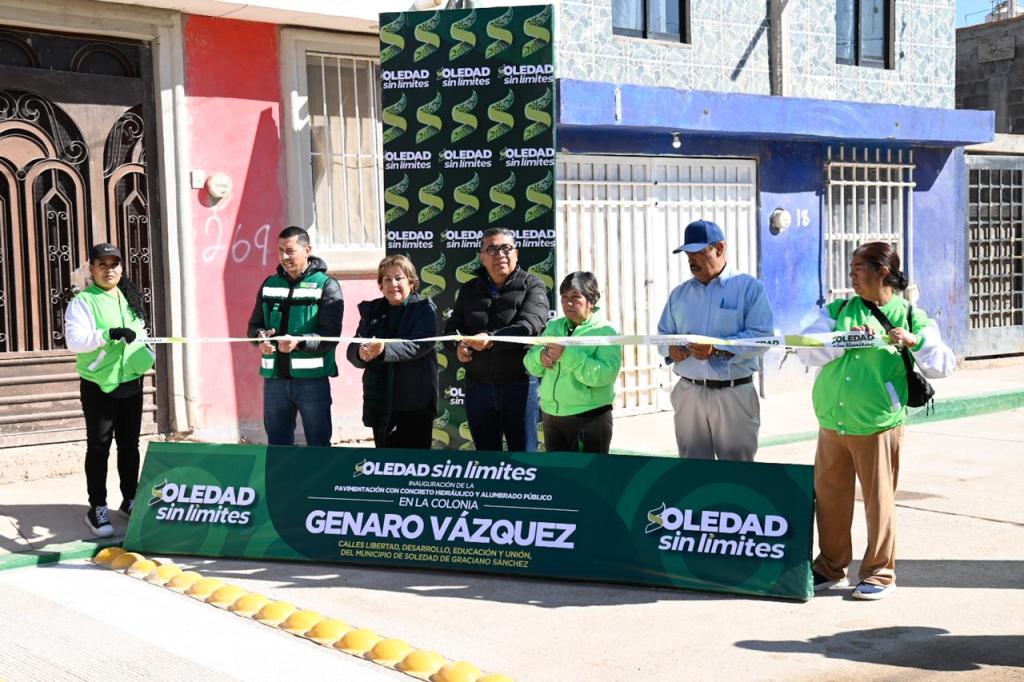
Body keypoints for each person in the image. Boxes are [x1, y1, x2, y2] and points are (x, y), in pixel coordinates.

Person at [797, 241, 954, 601]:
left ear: (882, 272)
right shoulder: (838, 310)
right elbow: (807, 351)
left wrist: (914, 342)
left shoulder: (912, 315)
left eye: (858, 268)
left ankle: (879, 573)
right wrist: (843, 339)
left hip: (877, 424)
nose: (852, 275)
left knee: (878, 500)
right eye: (851, 268)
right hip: (832, 422)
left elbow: (943, 363)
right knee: (830, 497)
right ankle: (830, 566)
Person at [656, 219, 774, 461]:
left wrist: (718, 348)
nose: (691, 260)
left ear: (719, 249)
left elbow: (762, 336)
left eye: (698, 252)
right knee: (693, 470)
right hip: (689, 392)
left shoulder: (748, 288)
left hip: (733, 393)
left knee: (737, 470)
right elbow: (662, 335)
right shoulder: (680, 294)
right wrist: (670, 349)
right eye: (688, 253)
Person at [64, 243, 155, 537]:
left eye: (114, 264)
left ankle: (130, 499)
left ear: (121, 267)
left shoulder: (130, 298)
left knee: (129, 445)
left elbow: (143, 334)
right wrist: (108, 334)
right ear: (92, 269)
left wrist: (147, 354)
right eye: (101, 264)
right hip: (99, 384)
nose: (109, 269)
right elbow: (75, 341)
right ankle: (97, 507)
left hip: (131, 381)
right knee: (99, 447)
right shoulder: (83, 301)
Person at [444, 227, 549, 451]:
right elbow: (452, 329)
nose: (500, 254)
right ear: (482, 258)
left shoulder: (533, 285)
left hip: (518, 385)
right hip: (477, 387)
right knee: (486, 459)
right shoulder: (469, 289)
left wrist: (491, 339)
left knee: (524, 458)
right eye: (492, 249)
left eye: (506, 248)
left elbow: (530, 327)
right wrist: (458, 346)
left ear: (516, 253)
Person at [247, 226, 343, 447]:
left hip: (312, 381)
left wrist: (298, 343)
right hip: (274, 381)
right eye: (280, 251)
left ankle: (321, 483)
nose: (284, 257)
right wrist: (260, 339)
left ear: (307, 250)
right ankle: (282, 483)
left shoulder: (327, 285)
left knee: (318, 445)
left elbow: (330, 337)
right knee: (278, 446)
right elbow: (254, 327)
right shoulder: (269, 284)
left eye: (290, 251)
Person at [346, 256, 438, 449]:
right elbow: (352, 348)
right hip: (380, 403)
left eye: (399, 278)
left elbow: (419, 345)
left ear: (411, 282)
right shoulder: (372, 311)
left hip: (415, 404)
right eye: (386, 279)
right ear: (380, 285)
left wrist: (383, 350)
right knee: (386, 466)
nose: (393, 284)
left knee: (415, 466)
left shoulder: (423, 308)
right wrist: (361, 353)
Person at [524, 272, 621, 454]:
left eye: (576, 297)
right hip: (552, 415)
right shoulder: (553, 326)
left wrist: (566, 355)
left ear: (592, 301)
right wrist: (541, 357)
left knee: (589, 478)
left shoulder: (606, 330)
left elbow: (605, 375)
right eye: (564, 297)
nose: (568, 303)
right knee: (559, 478)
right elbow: (530, 363)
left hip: (590, 417)